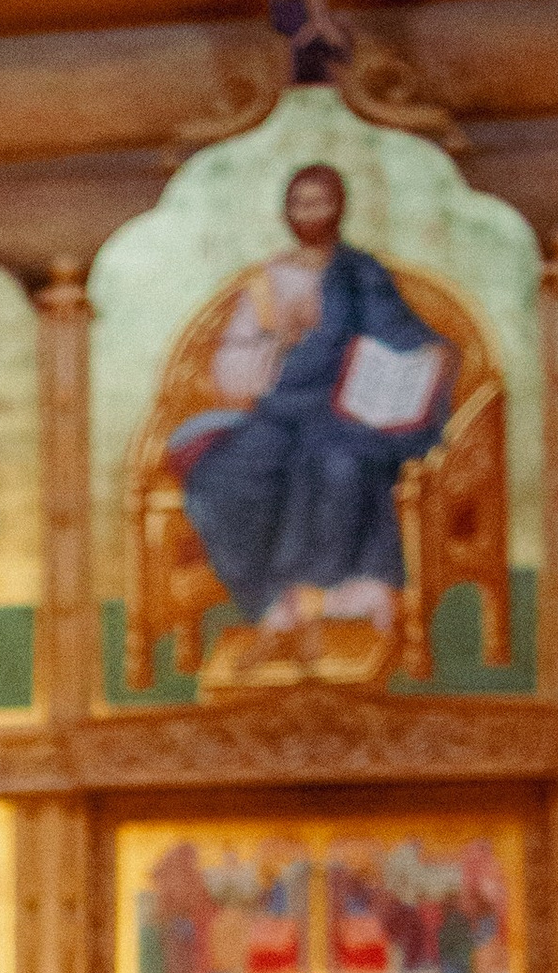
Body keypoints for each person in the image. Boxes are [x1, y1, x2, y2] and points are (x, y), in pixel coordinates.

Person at [173, 165, 454, 675]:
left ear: (339, 208)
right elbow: (232, 375)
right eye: (299, 203)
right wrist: (285, 340)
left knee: (335, 464)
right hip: (282, 412)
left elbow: (402, 335)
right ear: (286, 212)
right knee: (222, 479)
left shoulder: (361, 273)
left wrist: (426, 358)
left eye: (320, 203)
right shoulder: (266, 282)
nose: (309, 215)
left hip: (349, 413)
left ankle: (308, 611)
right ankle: (268, 609)